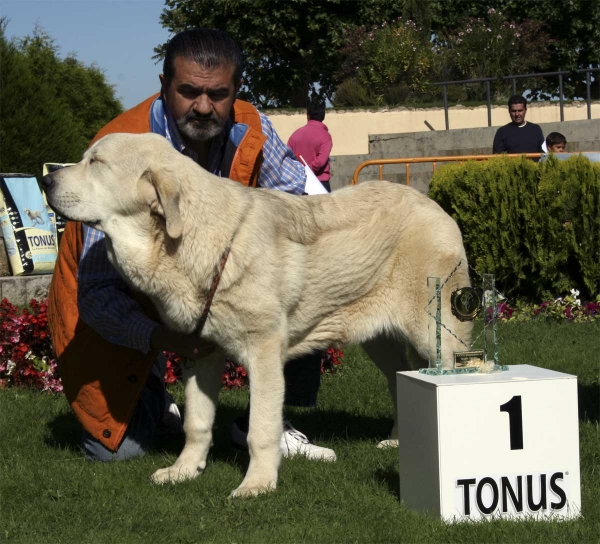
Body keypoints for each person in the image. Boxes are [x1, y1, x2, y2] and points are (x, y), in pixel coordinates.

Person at [47, 28, 335, 463]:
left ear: (236, 90)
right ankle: (156, 396)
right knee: (118, 451)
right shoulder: (117, 148)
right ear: (163, 86)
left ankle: (266, 423)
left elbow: (303, 207)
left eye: (218, 94)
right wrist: (165, 338)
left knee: (303, 258)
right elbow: (97, 296)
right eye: (188, 91)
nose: (203, 106)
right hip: (133, 313)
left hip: (224, 290)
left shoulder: (252, 129)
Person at [287, 101, 333, 192]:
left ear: (308, 116)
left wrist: (301, 171)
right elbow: (320, 161)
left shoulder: (295, 135)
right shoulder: (325, 136)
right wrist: (308, 169)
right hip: (320, 182)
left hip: (299, 183)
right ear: (323, 116)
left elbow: (288, 157)